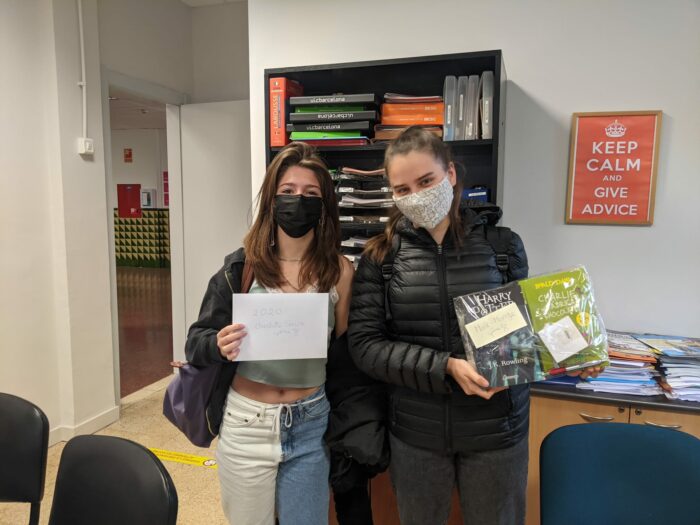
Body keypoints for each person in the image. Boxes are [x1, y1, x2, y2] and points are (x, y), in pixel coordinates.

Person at [347, 127, 602, 525]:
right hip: (417, 434)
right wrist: (445, 367)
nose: (416, 196)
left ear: (450, 174)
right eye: (402, 189)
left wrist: (575, 355)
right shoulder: (380, 258)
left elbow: (528, 334)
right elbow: (365, 346)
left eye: (426, 181)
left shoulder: (502, 246)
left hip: (496, 431)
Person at [184, 142, 359, 525]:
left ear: (324, 205)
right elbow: (195, 342)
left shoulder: (339, 272)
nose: (299, 200)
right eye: (288, 191)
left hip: (311, 422)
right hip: (247, 423)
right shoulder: (240, 268)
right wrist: (217, 344)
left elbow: (345, 357)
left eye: (310, 194)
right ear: (271, 200)